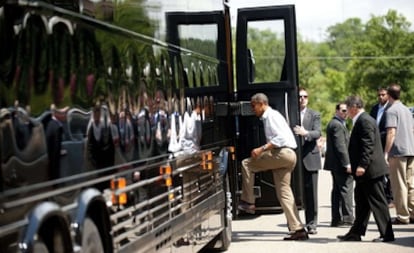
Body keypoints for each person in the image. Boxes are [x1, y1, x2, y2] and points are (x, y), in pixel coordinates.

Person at [238, 93, 308, 240]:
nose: (252, 109)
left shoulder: (271, 116)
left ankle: (248, 201)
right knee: (284, 193)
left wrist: (261, 149)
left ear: (261, 103)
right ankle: (298, 229)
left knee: (247, 164)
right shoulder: (270, 116)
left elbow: (281, 138)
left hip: (282, 153)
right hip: (288, 155)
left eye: (253, 106)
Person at [337, 95, 394, 242]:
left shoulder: (365, 121)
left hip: (370, 171)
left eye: (348, 109)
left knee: (378, 202)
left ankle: (387, 234)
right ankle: (356, 232)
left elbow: (368, 145)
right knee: (362, 202)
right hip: (365, 172)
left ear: (354, 107)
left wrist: (362, 165)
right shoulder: (362, 120)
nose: (347, 112)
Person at [383, 83, 414, 224]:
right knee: (411, 184)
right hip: (411, 150)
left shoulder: (391, 110)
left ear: (388, 95)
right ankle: (412, 212)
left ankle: (403, 216)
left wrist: (386, 152)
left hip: (398, 151)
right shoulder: (407, 110)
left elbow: (391, 133)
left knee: (399, 184)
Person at [293, 87, 322, 234]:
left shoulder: (314, 114)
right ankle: (295, 225)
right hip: (294, 160)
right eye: (299, 96)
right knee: (294, 194)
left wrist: (306, 133)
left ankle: (312, 224)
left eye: (305, 96)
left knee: (312, 195)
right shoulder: (291, 114)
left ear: (308, 98)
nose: (302, 99)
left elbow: (318, 132)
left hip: (310, 158)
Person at [323, 103, 354, 227]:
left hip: (336, 164)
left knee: (337, 191)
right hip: (340, 164)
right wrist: (347, 163)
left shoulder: (337, 123)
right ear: (337, 111)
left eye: (347, 110)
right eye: (343, 110)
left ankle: (336, 219)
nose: (345, 113)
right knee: (346, 189)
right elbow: (340, 146)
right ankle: (347, 218)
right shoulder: (337, 124)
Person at [369, 87, 393, 207]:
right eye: (379, 95)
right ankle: (382, 195)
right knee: (379, 170)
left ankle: (390, 198)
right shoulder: (374, 108)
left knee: (389, 171)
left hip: (387, 143)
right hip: (375, 143)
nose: (381, 97)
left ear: (388, 95)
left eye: (383, 95)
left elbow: (391, 129)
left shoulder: (391, 109)